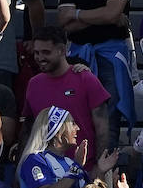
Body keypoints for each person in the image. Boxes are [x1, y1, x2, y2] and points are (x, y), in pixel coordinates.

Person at [57, 0, 134, 143]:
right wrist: (106, 16)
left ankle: (105, 176)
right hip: (78, 55)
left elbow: (112, 13)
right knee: (76, 118)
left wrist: (78, 14)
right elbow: (64, 20)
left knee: (109, 119)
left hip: (110, 55)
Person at [22, 27, 111, 168]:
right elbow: (28, 129)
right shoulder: (33, 84)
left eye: (46, 52)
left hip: (84, 170)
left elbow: (103, 129)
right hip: (45, 173)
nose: (40, 58)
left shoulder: (86, 79)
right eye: (37, 53)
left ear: (62, 50)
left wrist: (99, 168)